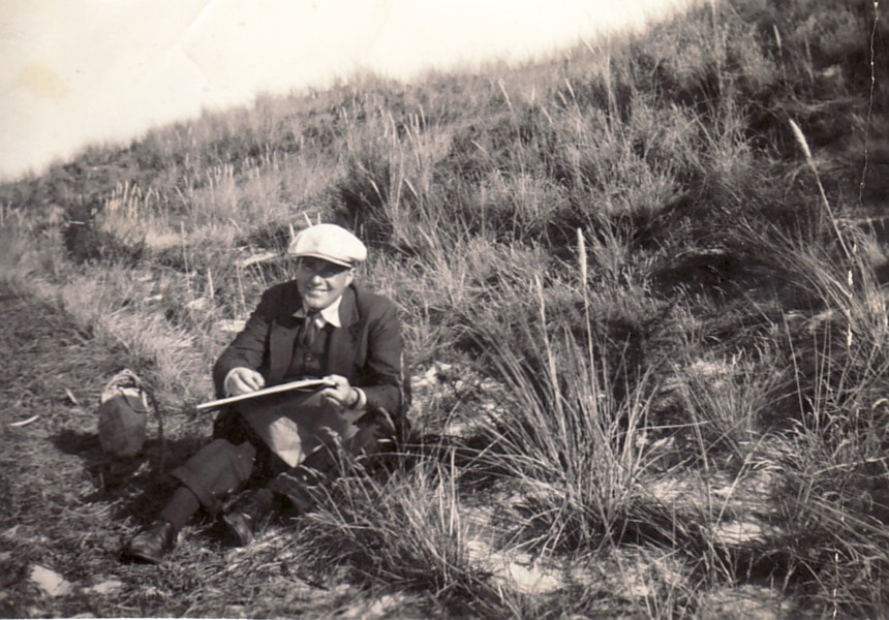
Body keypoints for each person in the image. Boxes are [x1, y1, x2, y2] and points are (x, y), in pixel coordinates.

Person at [124, 223, 409, 563]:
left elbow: (393, 390)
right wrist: (234, 374)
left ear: (350, 275)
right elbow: (238, 353)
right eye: (308, 266)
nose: (316, 279)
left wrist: (354, 396)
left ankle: (262, 505)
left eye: (330, 271)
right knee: (233, 442)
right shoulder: (277, 299)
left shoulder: (376, 312)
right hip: (278, 422)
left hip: (341, 427)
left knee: (376, 433)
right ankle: (165, 525)